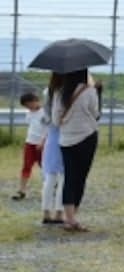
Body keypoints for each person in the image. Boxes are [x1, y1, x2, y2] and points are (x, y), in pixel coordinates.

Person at [53, 68, 102, 232]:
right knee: (80, 178)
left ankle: (68, 218)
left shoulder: (59, 92)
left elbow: (55, 119)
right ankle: (73, 218)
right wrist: (97, 91)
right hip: (87, 137)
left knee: (69, 177)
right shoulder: (89, 91)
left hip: (66, 140)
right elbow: (95, 114)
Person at [11, 92, 46, 202]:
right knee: (26, 166)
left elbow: (50, 129)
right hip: (30, 143)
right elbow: (31, 126)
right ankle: (21, 191)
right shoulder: (29, 113)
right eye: (26, 106)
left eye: (29, 105)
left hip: (42, 144)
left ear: (35, 100)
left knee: (45, 168)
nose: (28, 108)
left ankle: (51, 188)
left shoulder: (45, 112)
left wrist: (43, 142)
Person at [40, 74, 65, 224]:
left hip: (52, 135)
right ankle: (59, 213)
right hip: (67, 135)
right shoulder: (66, 92)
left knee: (50, 177)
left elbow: (46, 118)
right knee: (64, 177)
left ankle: (46, 212)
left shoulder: (47, 91)